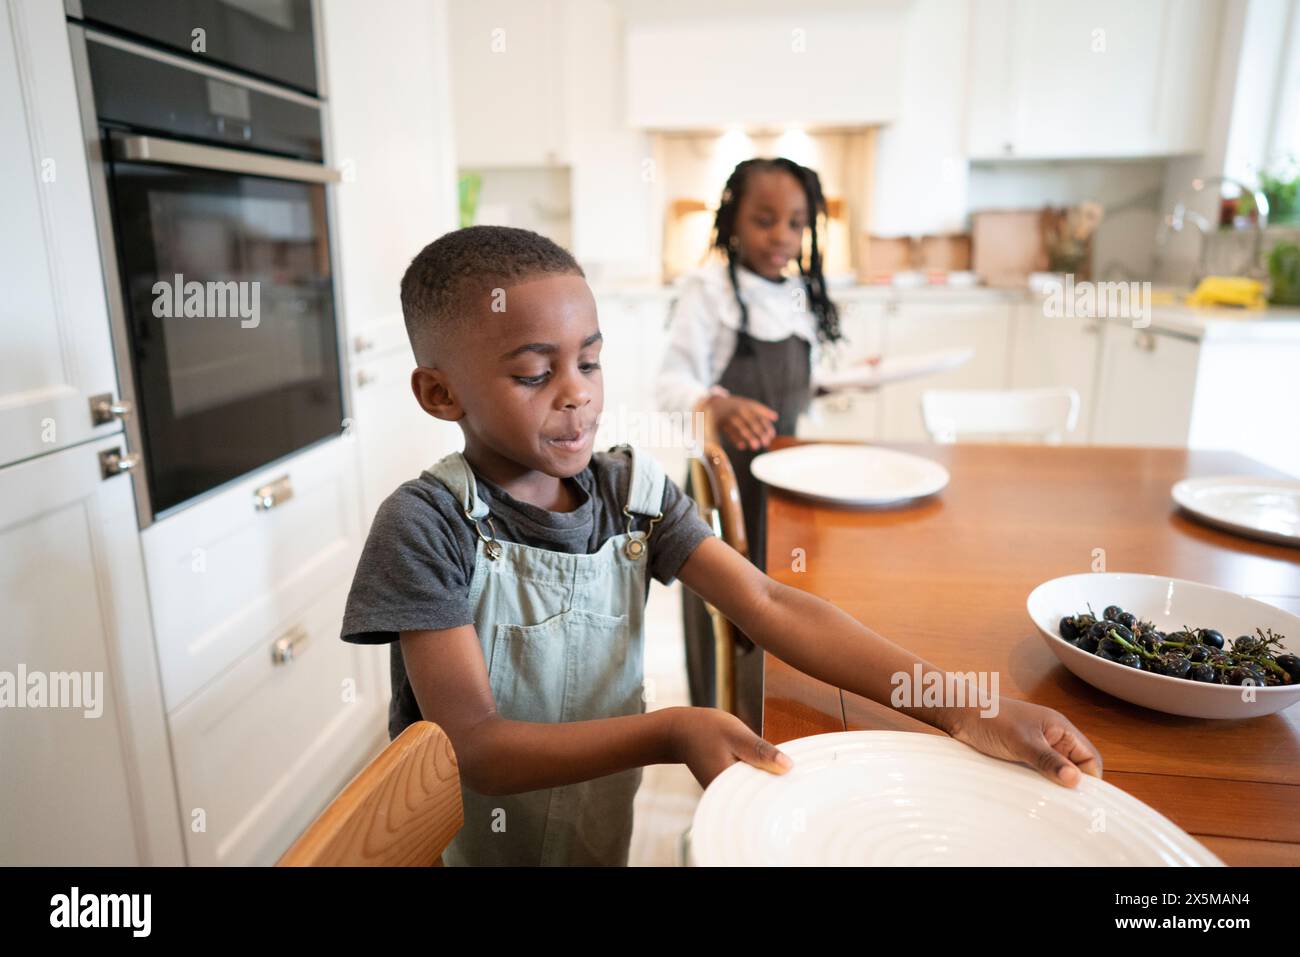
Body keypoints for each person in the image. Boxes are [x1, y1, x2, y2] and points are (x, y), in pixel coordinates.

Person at [339, 225, 1103, 867]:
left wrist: (963, 706)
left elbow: (769, 603)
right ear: (440, 394)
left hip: (594, 841)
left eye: (591, 361)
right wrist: (673, 727)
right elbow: (475, 746)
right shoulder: (425, 525)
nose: (576, 393)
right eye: (536, 372)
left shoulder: (631, 494)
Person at [655, 157, 851, 723]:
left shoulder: (799, 294)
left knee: (787, 609)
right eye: (766, 220)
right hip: (725, 493)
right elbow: (670, 384)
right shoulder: (709, 290)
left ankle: (779, 724)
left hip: (786, 487)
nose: (782, 237)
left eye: (796, 223)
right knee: (735, 619)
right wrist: (716, 403)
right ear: (732, 221)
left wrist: (834, 384)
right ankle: (725, 731)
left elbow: (795, 388)